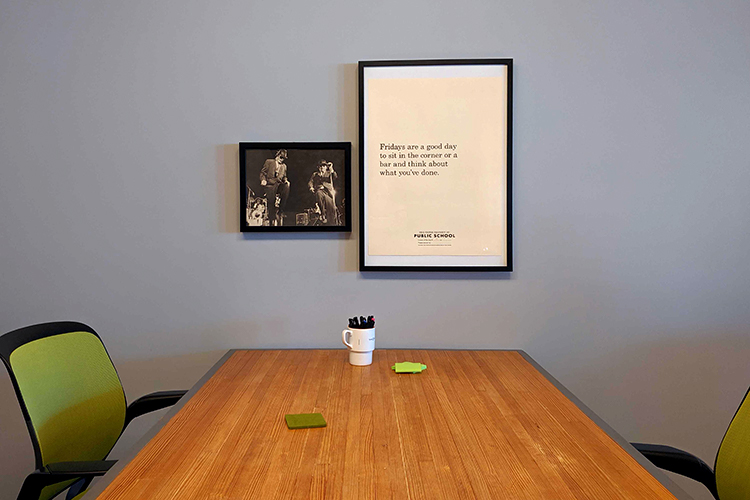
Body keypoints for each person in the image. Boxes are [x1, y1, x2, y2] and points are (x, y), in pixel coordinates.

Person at [259, 149, 290, 226]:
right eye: (280, 157)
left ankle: (281, 211)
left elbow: (284, 177)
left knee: (287, 185)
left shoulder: (284, 166)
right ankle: (272, 217)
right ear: (277, 156)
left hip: (279, 185)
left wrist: (286, 181)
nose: (281, 160)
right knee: (271, 199)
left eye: (283, 158)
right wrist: (263, 180)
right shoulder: (269, 162)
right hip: (270, 184)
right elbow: (263, 173)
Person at [308, 159, 338, 225]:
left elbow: (335, 176)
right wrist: (311, 187)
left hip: (328, 194)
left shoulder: (329, 174)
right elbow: (310, 182)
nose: (322, 167)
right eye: (320, 166)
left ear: (326, 167)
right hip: (318, 193)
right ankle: (323, 214)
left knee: (332, 210)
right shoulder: (315, 174)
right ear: (318, 167)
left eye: (324, 166)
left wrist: (331, 169)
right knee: (318, 193)